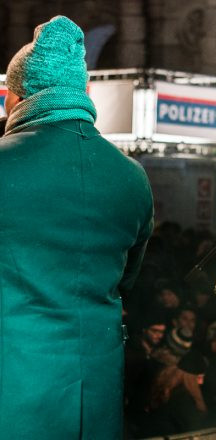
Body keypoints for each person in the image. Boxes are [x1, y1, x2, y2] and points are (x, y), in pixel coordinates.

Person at [0, 16, 154, 439]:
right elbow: (128, 279)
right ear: (83, 93)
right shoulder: (131, 177)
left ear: (18, 97)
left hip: (14, 394)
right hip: (97, 398)